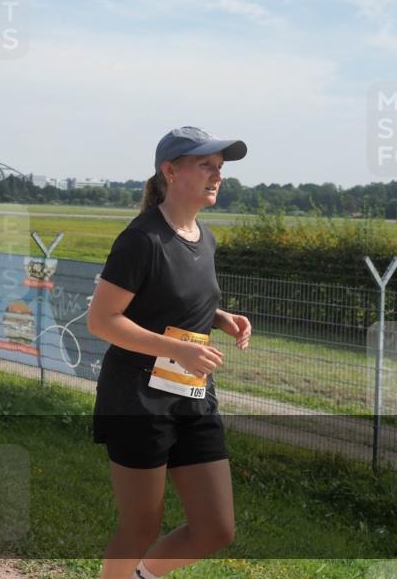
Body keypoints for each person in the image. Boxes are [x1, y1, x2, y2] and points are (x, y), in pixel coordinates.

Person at [87, 126, 253, 579]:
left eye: (219, 168)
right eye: (206, 166)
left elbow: (168, 297)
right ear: (171, 171)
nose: (217, 175)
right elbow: (102, 320)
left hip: (192, 397)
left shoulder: (205, 237)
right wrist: (177, 349)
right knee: (141, 526)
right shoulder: (141, 239)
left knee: (215, 528)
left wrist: (219, 317)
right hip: (137, 400)